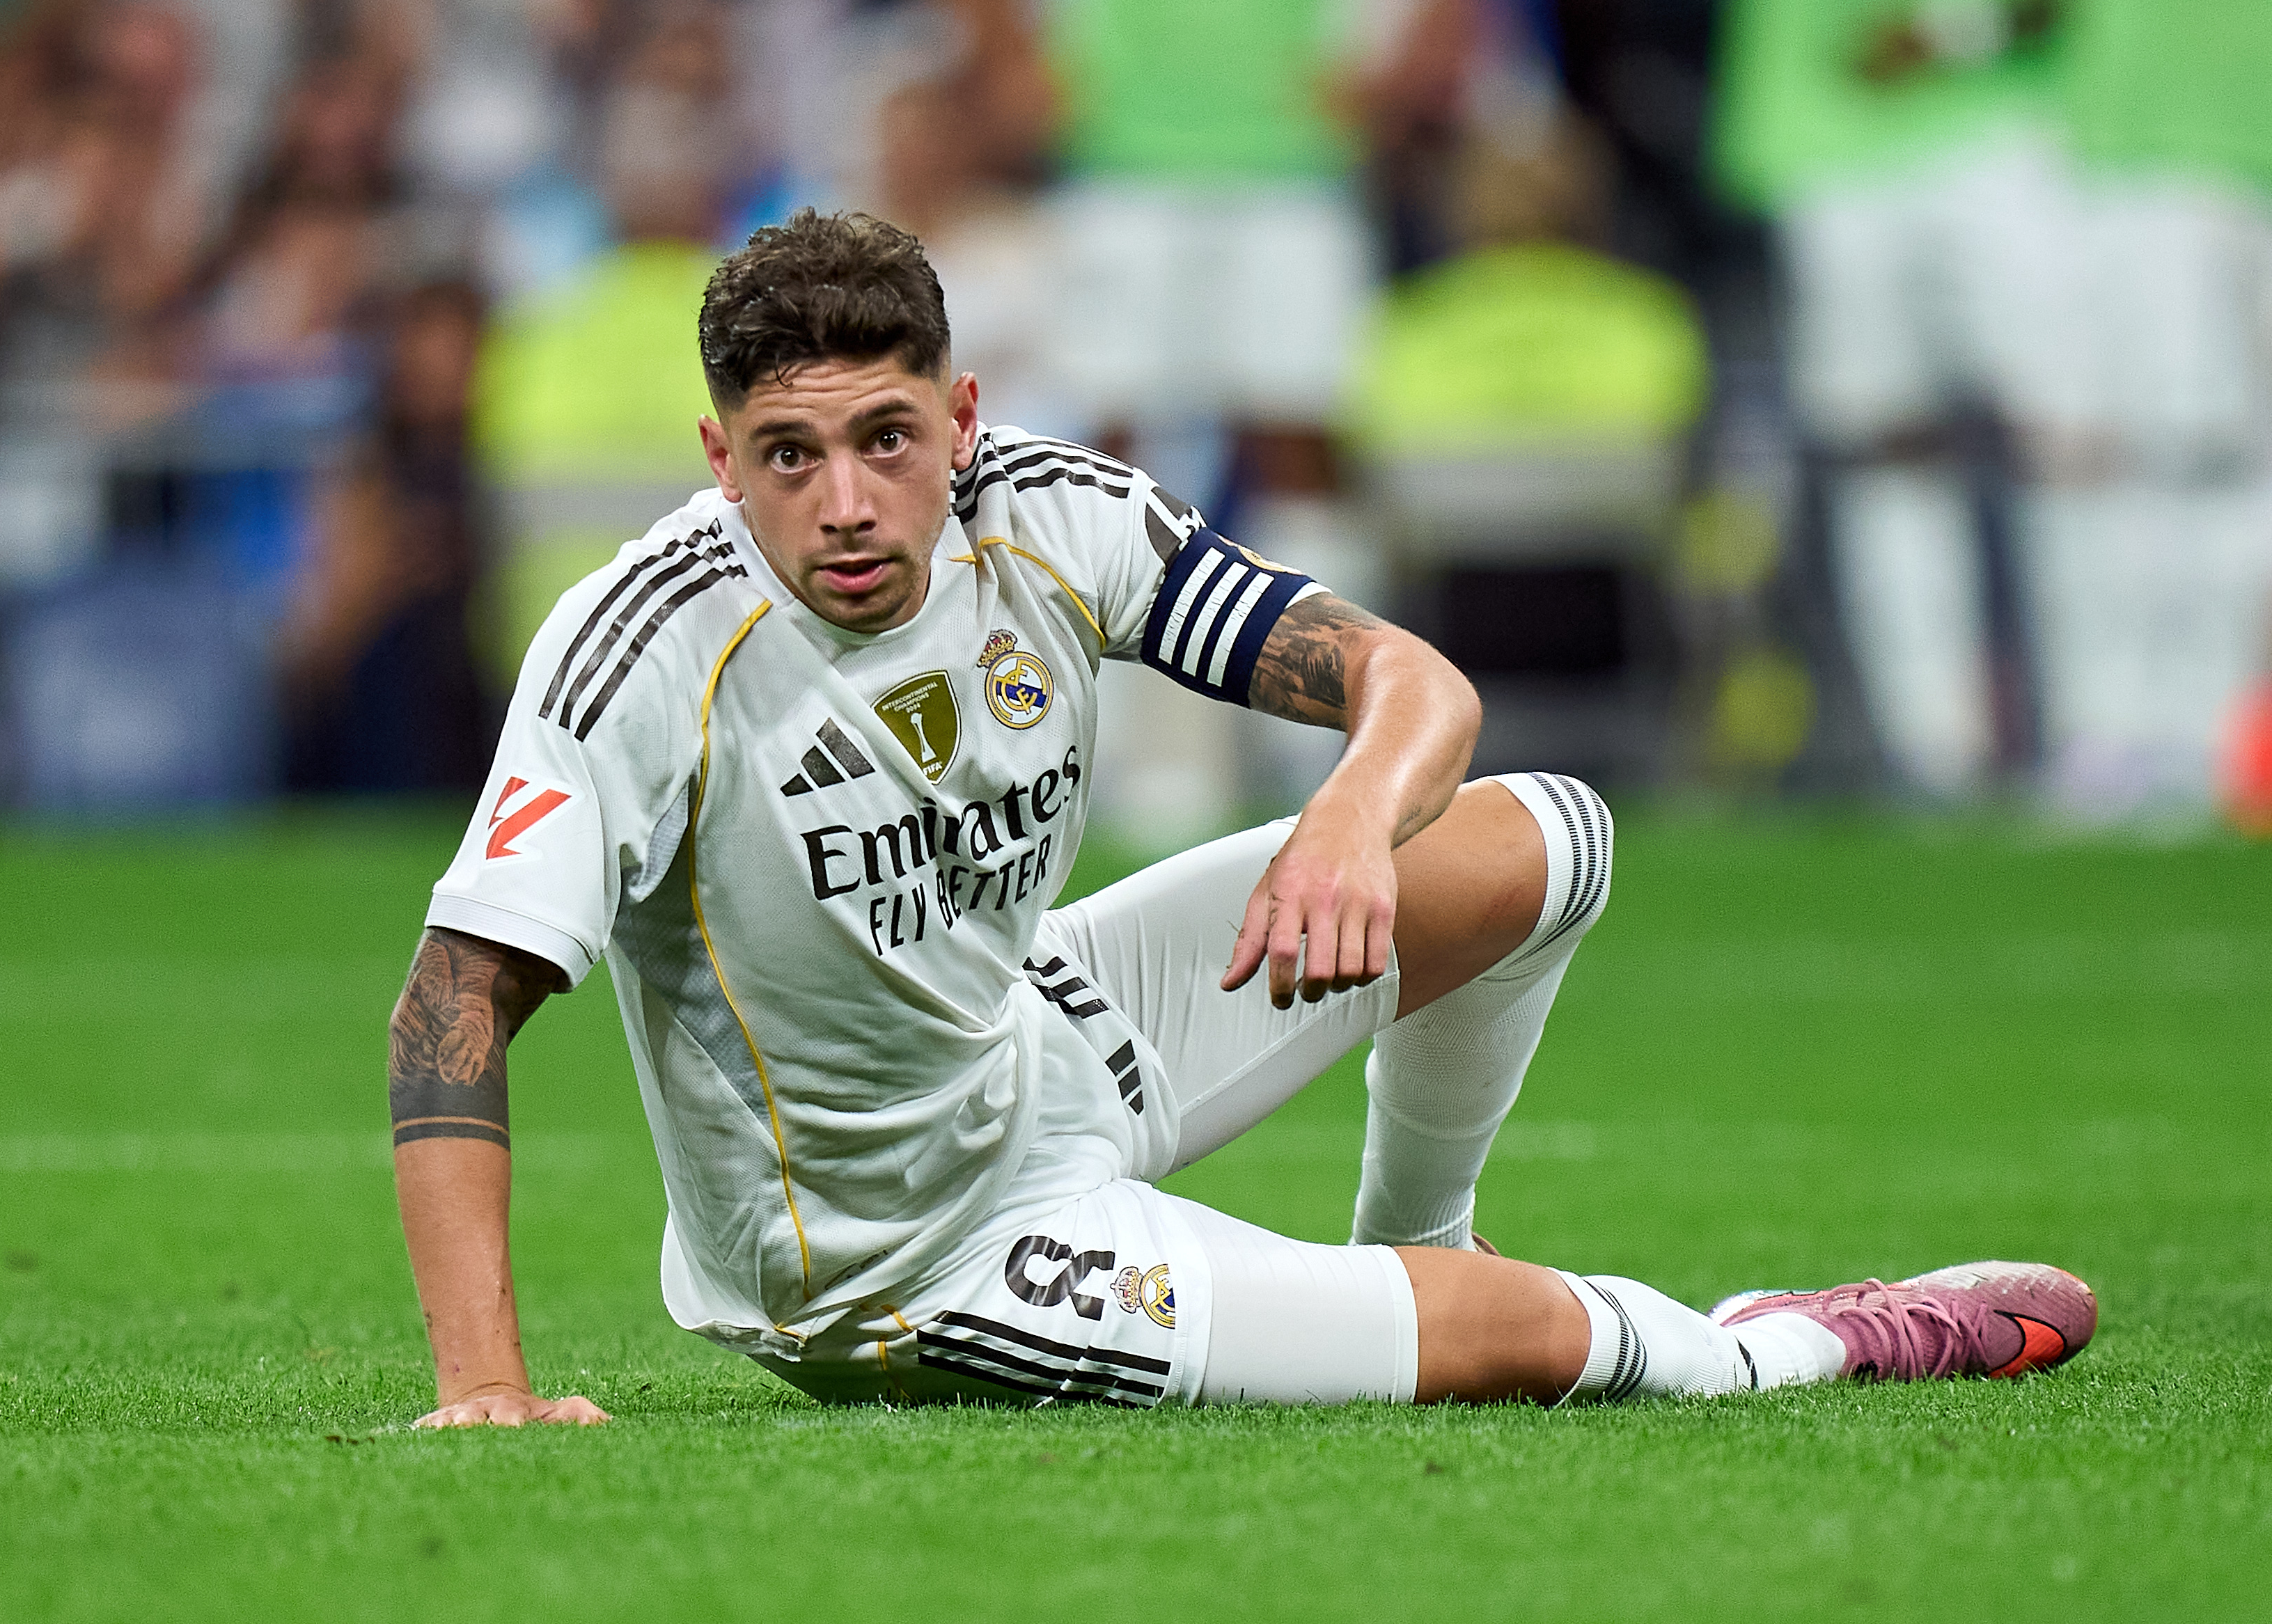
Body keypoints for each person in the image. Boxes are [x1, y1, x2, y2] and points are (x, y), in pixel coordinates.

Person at [386, 210, 2094, 1421]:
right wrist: (486, 1391)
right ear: (719, 455)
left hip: (1042, 1038)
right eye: (786, 455)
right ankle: (1784, 1347)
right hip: (903, 1253)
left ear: (961, 421)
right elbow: (454, 999)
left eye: (886, 438)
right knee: (1519, 1347)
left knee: (1546, 837)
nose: (843, 504)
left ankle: (1416, 1242)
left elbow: (1410, 682)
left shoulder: (1052, 518)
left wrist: (1350, 821)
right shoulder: (642, 644)